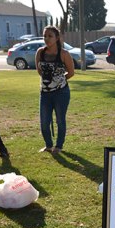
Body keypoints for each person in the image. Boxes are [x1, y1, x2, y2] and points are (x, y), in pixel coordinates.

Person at [36, 25, 75, 154]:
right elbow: (39, 71)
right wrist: (48, 82)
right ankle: (48, 145)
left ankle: (59, 146)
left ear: (57, 38)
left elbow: (71, 73)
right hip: (45, 93)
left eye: (50, 36)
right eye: (45, 36)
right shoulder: (40, 52)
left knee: (60, 120)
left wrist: (58, 81)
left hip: (61, 93)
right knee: (44, 121)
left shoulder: (64, 54)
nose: (47, 39)